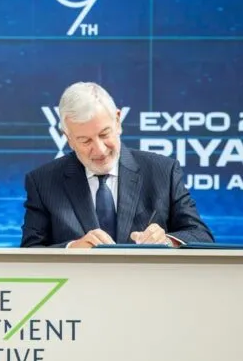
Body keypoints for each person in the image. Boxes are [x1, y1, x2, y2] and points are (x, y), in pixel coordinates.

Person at [20, 82, 214, 248]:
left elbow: (201, 236)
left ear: (118, 121)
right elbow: (30, 251)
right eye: (85, 141)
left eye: (104, 134)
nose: (100, 150)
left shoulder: (163, 171)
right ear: (68, 138)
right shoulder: (42, 182)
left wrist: (168, 241)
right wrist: (72, 248)